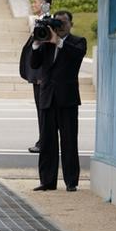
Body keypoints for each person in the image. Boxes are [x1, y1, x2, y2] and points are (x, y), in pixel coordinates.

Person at [30, 10, 86, 192]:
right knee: (47, 141)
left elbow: (76, 57)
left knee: (69, 140)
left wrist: (59, 42)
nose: (60, 26)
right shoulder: (46, 42)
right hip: (47, 97)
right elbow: (34, 64)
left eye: (63, 22)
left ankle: (71, 181)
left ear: (71, 24)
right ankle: (47, 181)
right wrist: (36, 44)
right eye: (57, 22)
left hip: (67, 99)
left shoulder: (78, 42)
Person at [20, 0, 52, 153]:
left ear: (45, 4)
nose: (34, 5)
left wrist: (40, 75)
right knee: (40, 110)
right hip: (37, 76)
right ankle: (43, 140)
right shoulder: (40, 22)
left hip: (42, 77)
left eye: (36, 2)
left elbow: (46, 51)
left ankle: (44, 142)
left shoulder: (48, 23)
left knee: (43, 110)